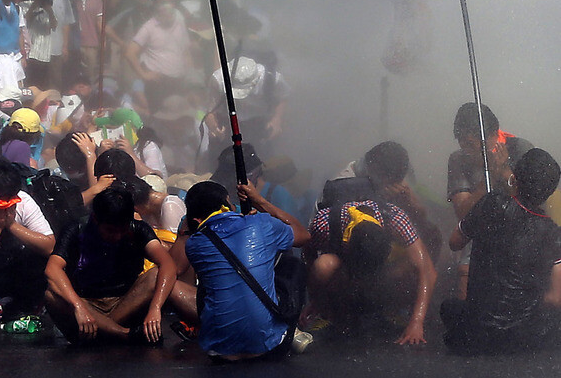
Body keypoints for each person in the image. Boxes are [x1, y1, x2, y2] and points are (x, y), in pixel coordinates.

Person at [442, 148, 561, 354]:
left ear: (514, 179)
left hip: (477, 333)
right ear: (549, 193)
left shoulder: (493, 204)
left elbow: (454, 242)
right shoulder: (552, 233)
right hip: (525, 339)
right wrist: (525, 302)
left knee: (449, 308)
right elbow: (555, 298)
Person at [184, 180, 310, 361]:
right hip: (269, 348)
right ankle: (288, 326)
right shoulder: (261, 223)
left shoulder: (194, 244)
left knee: (211, 278)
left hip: (219, 352)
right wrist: (259, 201)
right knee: (292, 265)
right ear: (226, 205)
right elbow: (303, 235)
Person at [303, 181, 437, 344]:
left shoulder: (394, 217)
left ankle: (393, 309)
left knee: (411, 263)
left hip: (383, 275)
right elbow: (308, 254)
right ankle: (333, 314)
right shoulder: (325, 223)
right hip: (346, 276)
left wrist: (417, 321)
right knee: (324, 265)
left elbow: (427, 270)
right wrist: (316, 299)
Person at [44, 188, 178, 345]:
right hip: (87, 305)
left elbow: (168, 264)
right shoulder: (76, 229)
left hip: (125, 303)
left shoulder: (139, 230)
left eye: (123, 230)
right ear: (95, 219)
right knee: (51, 295)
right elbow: (52, 269)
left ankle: (105, 332)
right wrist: (78, 306)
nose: (117, 236)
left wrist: (155, 308)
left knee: (155, 275)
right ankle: (125, 335)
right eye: (110, 231)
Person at [448, 103, 533, 299]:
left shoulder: (520, 149)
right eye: (463, 144)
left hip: (522, 230)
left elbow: (531, 205)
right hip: (479, 232)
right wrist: (490, 178)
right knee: (465, 273)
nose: (468, 150)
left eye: (472, 143)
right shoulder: (458, 160)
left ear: (494, 135)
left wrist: (504, 173)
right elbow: (462, 213)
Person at [0, 160, 55, 320]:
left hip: (13, 272)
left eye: (8, 204)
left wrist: (11, 224)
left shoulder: (23, 200)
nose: (3, 209)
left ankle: (26, 303)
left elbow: (50, 246)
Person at [204, 56, 289, 162]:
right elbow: (211, 107)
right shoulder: (218, 79)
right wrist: (212, 123)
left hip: (258, 123)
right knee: (221, 160)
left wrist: (277, 119)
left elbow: (283, 97)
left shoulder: (272, 79)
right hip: (228, 123)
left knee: (262, 160)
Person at [124, 0, 192, 109]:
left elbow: (186, 50)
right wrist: (144, 75)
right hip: (157, 84)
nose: (167, 6)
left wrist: (189, 74)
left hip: (178, 81)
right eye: (163, 2)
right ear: (156, 6)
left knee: (179, 117)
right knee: (159, 117)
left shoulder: (180, 21)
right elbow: (130, 53)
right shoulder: (149, 27)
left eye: (170, 2)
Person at [24, 0, 57, 89]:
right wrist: (33, 7)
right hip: (31, 52)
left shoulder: (50, 6)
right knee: (30, 84)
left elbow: (54, 26)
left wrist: (49, 10)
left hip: (44, 52)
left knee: (42, 85)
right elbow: (24, 21)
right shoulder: (25, 5)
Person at [46, 0, 74, 90]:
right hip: (39, 48)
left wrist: (65, 47)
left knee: (56, 78)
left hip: (57, 47)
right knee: (43, 79)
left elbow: (66, 24)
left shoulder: (65, 0)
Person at [75, 0, 103, 81]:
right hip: (76, 46)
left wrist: (103, 40)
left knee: (90, 77)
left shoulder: (97, 0)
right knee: (76, 77)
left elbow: (99, 22)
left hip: (92, 45)